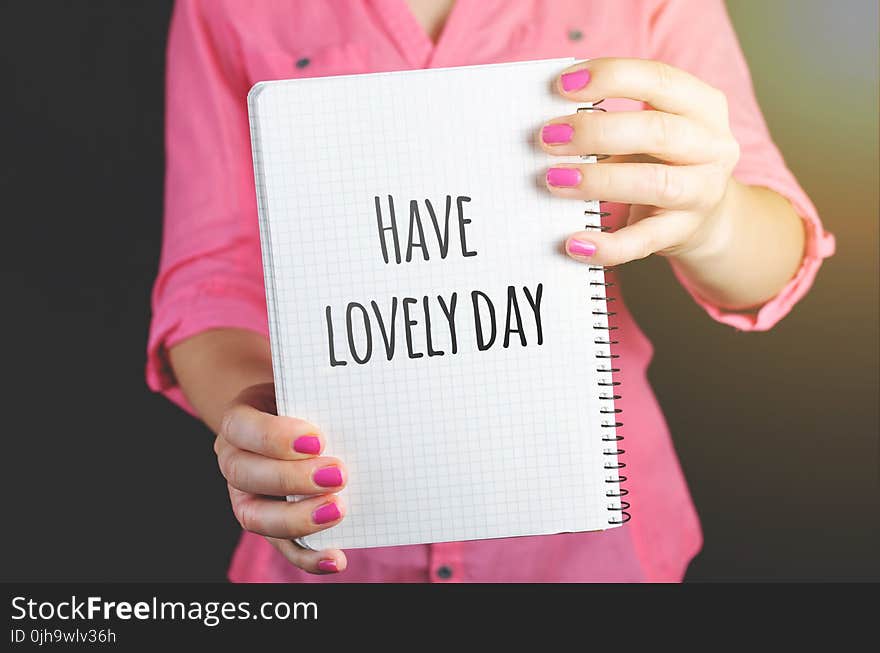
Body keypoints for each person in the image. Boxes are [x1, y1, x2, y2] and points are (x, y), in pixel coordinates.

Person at [147, 0, 835, 582]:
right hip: (340, 543)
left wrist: (712, 218)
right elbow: (209, 277)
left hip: (597, 551)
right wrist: (268, 435)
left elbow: (774, 250)